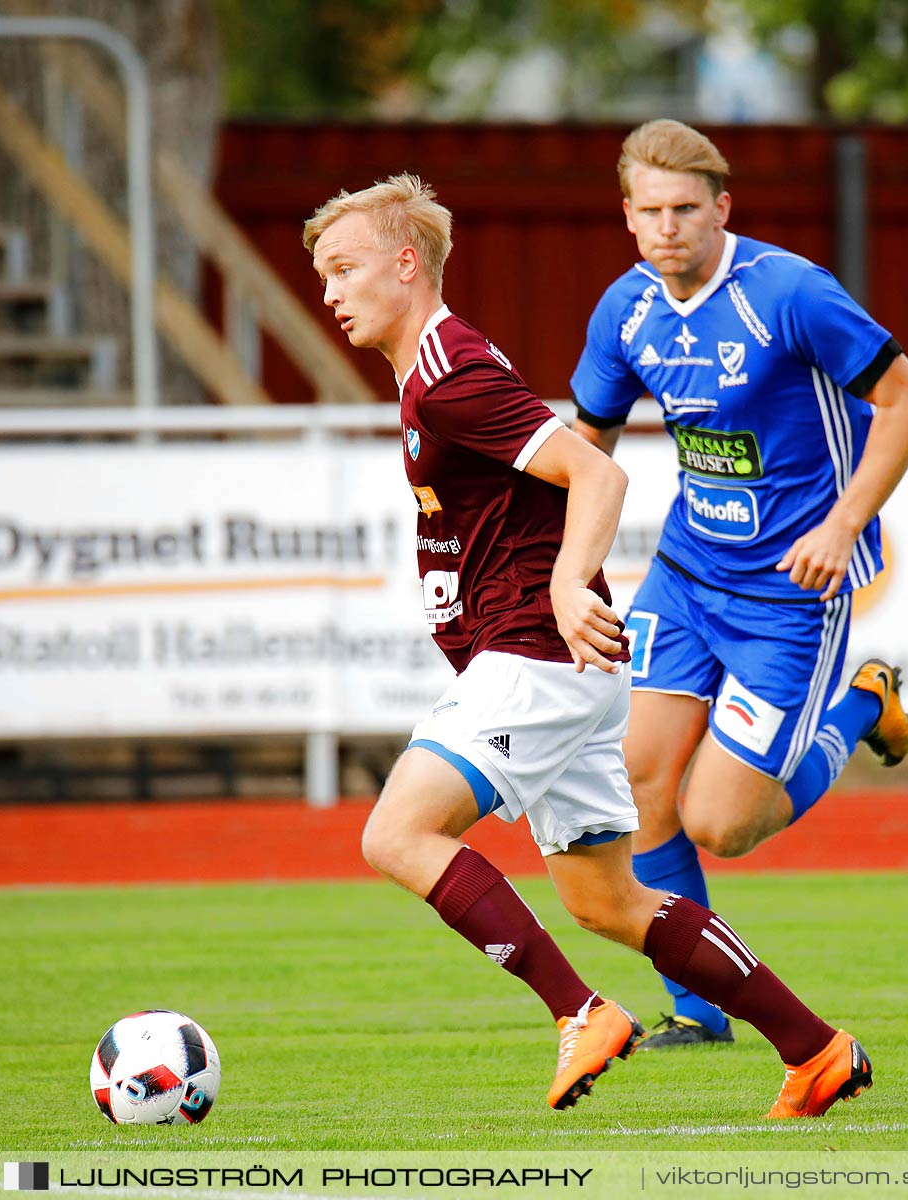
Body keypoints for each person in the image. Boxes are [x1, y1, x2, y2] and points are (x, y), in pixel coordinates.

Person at [303, 173, 872, 1118]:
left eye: (345, 267)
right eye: (323, 273)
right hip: (563, 667)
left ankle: (580, 1012)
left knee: (396, 833)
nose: (330, 291)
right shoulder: (434, 370)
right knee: (608, 901)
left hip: (535, 655)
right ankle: (817, 1052)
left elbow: (597, 474)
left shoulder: (450, 378)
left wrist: (568, 586)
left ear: (406, 265)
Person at [571, 120, 908, 1049]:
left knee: (721, 824)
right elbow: (591, 446)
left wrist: (842, 523)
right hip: (688, 574)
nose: (668, 228)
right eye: (649, 211)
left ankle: (862, 702)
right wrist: (565, 568)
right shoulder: (624, 312)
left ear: (721, 207)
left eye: (686, 209)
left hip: (789, 593)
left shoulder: (790, 293)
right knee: (639, 786)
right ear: (626, 215)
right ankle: (699, 1009)